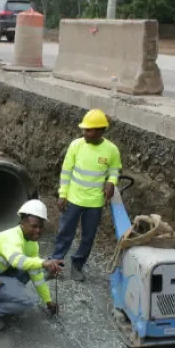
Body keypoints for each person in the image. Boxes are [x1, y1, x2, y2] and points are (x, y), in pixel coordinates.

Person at [0, 199, 64, 331]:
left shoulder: (31, 243)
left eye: (40, 226)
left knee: (31, 269)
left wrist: (48, 301)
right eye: (34, 226)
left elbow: (36, 273)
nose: (38, 230)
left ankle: (5, 295)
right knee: (29, 299)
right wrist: (44, 262)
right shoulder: (11, 238)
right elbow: (17, 260)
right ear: (22, 223)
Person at [50, 109, 122, 282]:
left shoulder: (111, 150)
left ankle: (77, 265)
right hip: (73, 199)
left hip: (95, 203)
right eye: (84, 129)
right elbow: (66, 172)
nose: (84, 133)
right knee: (65, 233)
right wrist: (62, 195)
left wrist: (112, 182)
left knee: (88, 237)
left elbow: (114, 169)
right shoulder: (76, 145)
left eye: (88, 130)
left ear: (100, 131)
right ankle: (54, 265)